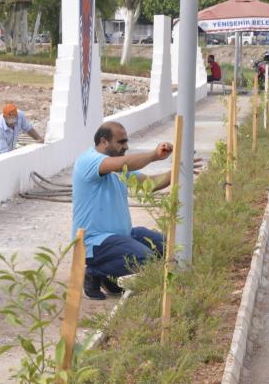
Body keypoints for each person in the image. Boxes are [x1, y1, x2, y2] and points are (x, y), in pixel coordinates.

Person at [72, 122, 194, 300]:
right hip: (94, 242)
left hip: (123, 236)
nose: (126, 146)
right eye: (121, 142)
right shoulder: (88, 161)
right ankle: (94, 271)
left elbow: (150, 184)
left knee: (171, 248)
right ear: (104, 142)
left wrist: (178, 171)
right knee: (145, 258)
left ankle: (110, 277)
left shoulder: (118, 168)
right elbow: (127, 163)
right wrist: (153, 155)